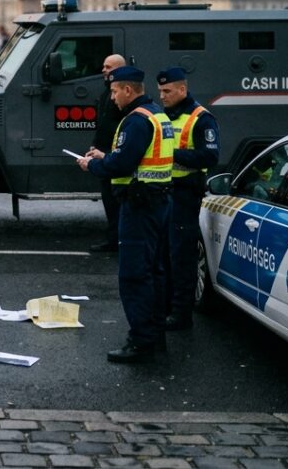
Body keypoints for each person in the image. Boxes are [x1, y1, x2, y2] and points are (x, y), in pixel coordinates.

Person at [77, 65, 173, 364]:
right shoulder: (156, 114)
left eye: (115, 91)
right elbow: (135, 158)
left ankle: (140, 342)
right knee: (155, 271)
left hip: (139, 205)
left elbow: (121, 166)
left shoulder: (135, 121)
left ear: (128, 90)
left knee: (134, 275)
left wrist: (92, 165)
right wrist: (108, 157)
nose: (113, 97)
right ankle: (155, 335)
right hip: (158, 202)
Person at [156, 67, 219, 331]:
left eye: (167, 91)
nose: (162, 96)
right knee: (165, 255)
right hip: (164, 193)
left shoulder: (201, 119)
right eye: (160, 91)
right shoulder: (163, 116)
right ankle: (169, 307)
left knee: (182, 257)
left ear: (182, 89)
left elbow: (209, 157)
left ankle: (182, 315)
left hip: (185, 195)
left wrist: (173, 154)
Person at [89, 54, 126, 252]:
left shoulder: (121, 95)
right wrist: (95, 146)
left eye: (108, 66)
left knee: (115, 201)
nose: (104, 70)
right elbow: (102, 125)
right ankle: (113, 239)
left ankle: (117, 241)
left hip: (113, 154)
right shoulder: (107, 93)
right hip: (103, 152)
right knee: (109, 201)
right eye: (104, 66)